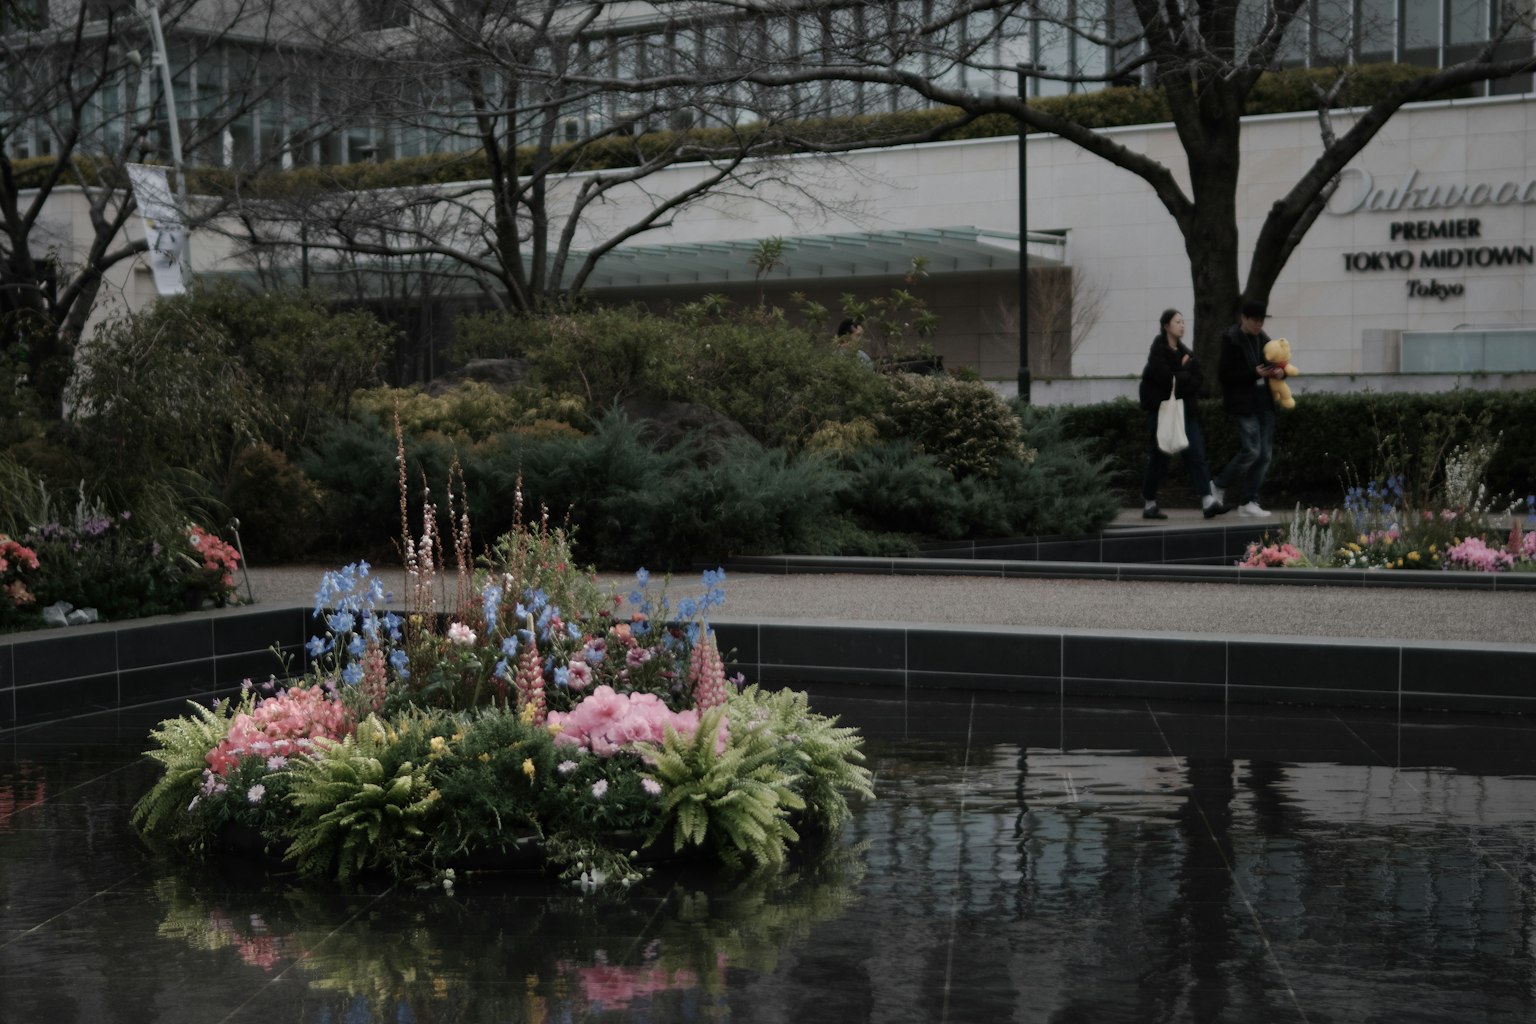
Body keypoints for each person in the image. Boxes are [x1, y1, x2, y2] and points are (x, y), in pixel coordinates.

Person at [1138, 309, 1226, 520]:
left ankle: (1207, 500)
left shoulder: (1187, 353)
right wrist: (1184, 372)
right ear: (1166, 326)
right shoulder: (1158, 351)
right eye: (1177, 322)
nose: (1182, 325)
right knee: (1159, 458)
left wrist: (1182, 376)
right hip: (1163, 412)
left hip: (1186, 410)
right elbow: (1164, 378)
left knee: (1196, 453)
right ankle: (1149, 503)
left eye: (1183, 322)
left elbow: (1197, 380)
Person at [1210, 298, 1285, 517]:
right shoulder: (1232, 340)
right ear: (1243, 318)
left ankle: (1249, 500)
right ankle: (1219, 484)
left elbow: (1276, 362)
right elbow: (1224, 375)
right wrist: (1254, 374)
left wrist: (1280, 372)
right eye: (1254, 321)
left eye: (1261, 321)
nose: (1258, 325)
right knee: (1252, 450)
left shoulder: (1264, 339)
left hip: (1264, 402)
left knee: (1264, 455)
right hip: (1243, 404)